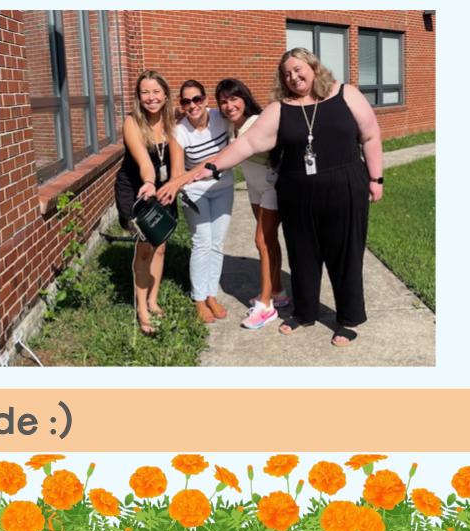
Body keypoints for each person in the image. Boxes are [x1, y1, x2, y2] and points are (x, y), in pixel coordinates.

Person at [159, 48, 384, 347]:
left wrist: (375, 178)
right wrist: (207, 168)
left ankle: (348, 318)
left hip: (345, 187)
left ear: (313, 67)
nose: (293, 76)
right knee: (303, 254)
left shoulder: (346, 94)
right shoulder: (280, 109)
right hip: (296, 193)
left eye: (298, 69)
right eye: (287, 73)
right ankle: (304, 312)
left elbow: (370, 135)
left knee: (344, 254)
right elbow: (247, 143)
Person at [214, 78, 287, 330]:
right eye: (223, 101)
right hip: (255, 188)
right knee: (269, 241)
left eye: (234, 98)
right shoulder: (231, 124)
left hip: (271, 186)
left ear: (245, 98)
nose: (229, 105)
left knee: (262, 241)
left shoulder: (255, 122)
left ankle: (266, 306)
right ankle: (276, 290)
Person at [158, 80, 234, 324]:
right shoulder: (179, 132)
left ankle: (212, 294)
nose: (192, 105)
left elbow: (227, 153)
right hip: (194, 192)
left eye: (197, 99)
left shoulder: (221, 117)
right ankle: (199, 299)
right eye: (186, 101)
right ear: (182, 104)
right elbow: (179, 173)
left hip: (223, 188)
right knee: (202, 241)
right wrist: (173, 187)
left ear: (206, 99)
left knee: (217, 242)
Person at [114, 70, 181, 336]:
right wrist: (150, 184)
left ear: (165, 95)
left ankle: (153, 299)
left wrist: (172, 185)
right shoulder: (132, 122)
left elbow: (176, 165)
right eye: (145, 92)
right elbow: (144, 162)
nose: (151, 98)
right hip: (137, 187)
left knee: (161, 246)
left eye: (156, 92)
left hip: (164, 188)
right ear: (138, 97)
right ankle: (141, 308)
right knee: (144, 249)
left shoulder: (174, 123)